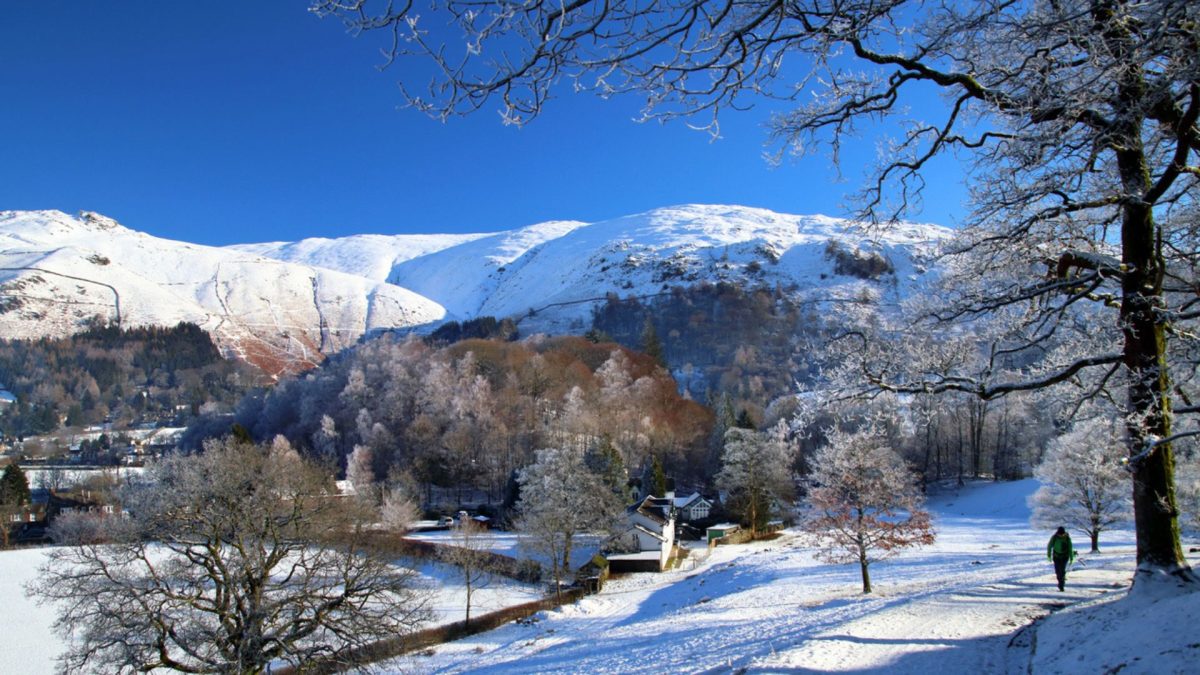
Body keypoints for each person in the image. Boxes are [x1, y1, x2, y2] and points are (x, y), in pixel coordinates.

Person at [1047, 526, 1076, 591]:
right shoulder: (1054, 537)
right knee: (1057, 571)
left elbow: (1070, 548)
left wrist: (1071, 558)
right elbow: (1049, 546)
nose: (1061, 535)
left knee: (1062, 570)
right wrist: (1049, 555)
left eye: (1062, 534)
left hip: (1065, 556)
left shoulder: (1067, 538)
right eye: (1060, 534)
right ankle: (1060, 581)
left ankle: (1061, 585)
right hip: (1056, 556)